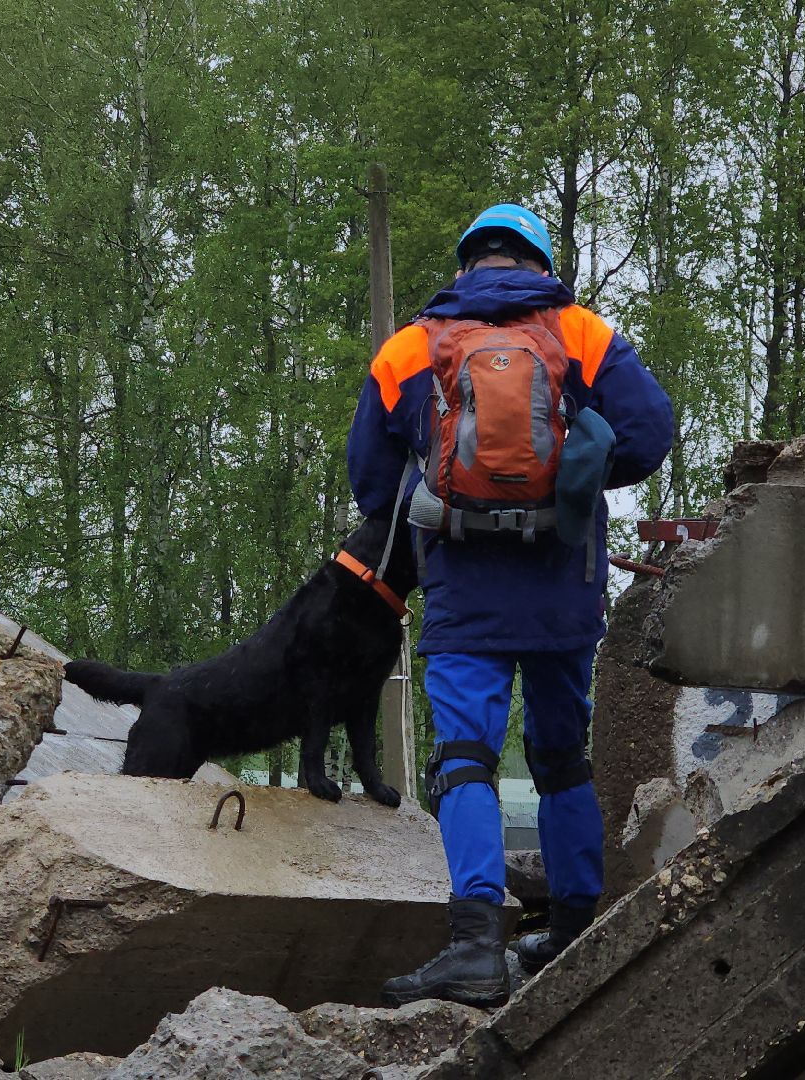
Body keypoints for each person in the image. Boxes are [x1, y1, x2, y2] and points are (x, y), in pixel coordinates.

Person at [347, 203, 673, 1006]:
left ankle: (475, 949)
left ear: (467, 265)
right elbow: (650, 431)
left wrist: (451, 495)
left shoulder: (413, 345)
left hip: (463, 582)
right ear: (538, 260)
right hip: (564, 576)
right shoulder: (581, 333)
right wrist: (573, 479)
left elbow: (369, 478)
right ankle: (571, 931)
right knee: (561, 754)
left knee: (466, 758)